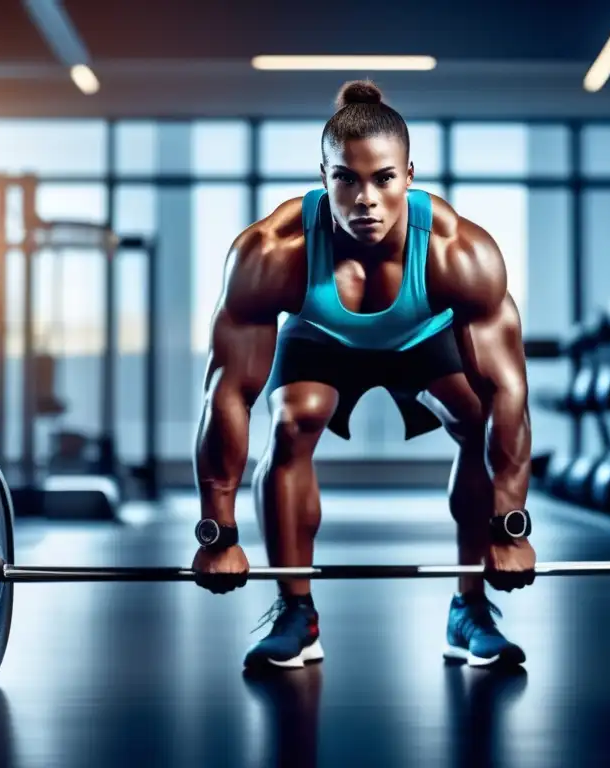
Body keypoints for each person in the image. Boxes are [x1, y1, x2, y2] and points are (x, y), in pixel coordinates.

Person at [192, 80, 536, 671]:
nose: (365, 199)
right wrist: (218, 535)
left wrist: (510, 523)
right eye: (346, 179)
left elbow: (509, 390)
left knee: (478, 418)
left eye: (383, 179)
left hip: (420, 339)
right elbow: (227, 389)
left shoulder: (461, 253)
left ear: (409, 173)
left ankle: (469, 609)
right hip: (320, 338)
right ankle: (295, 612)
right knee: (292, 424)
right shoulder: (272, 253)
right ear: (323, 176)